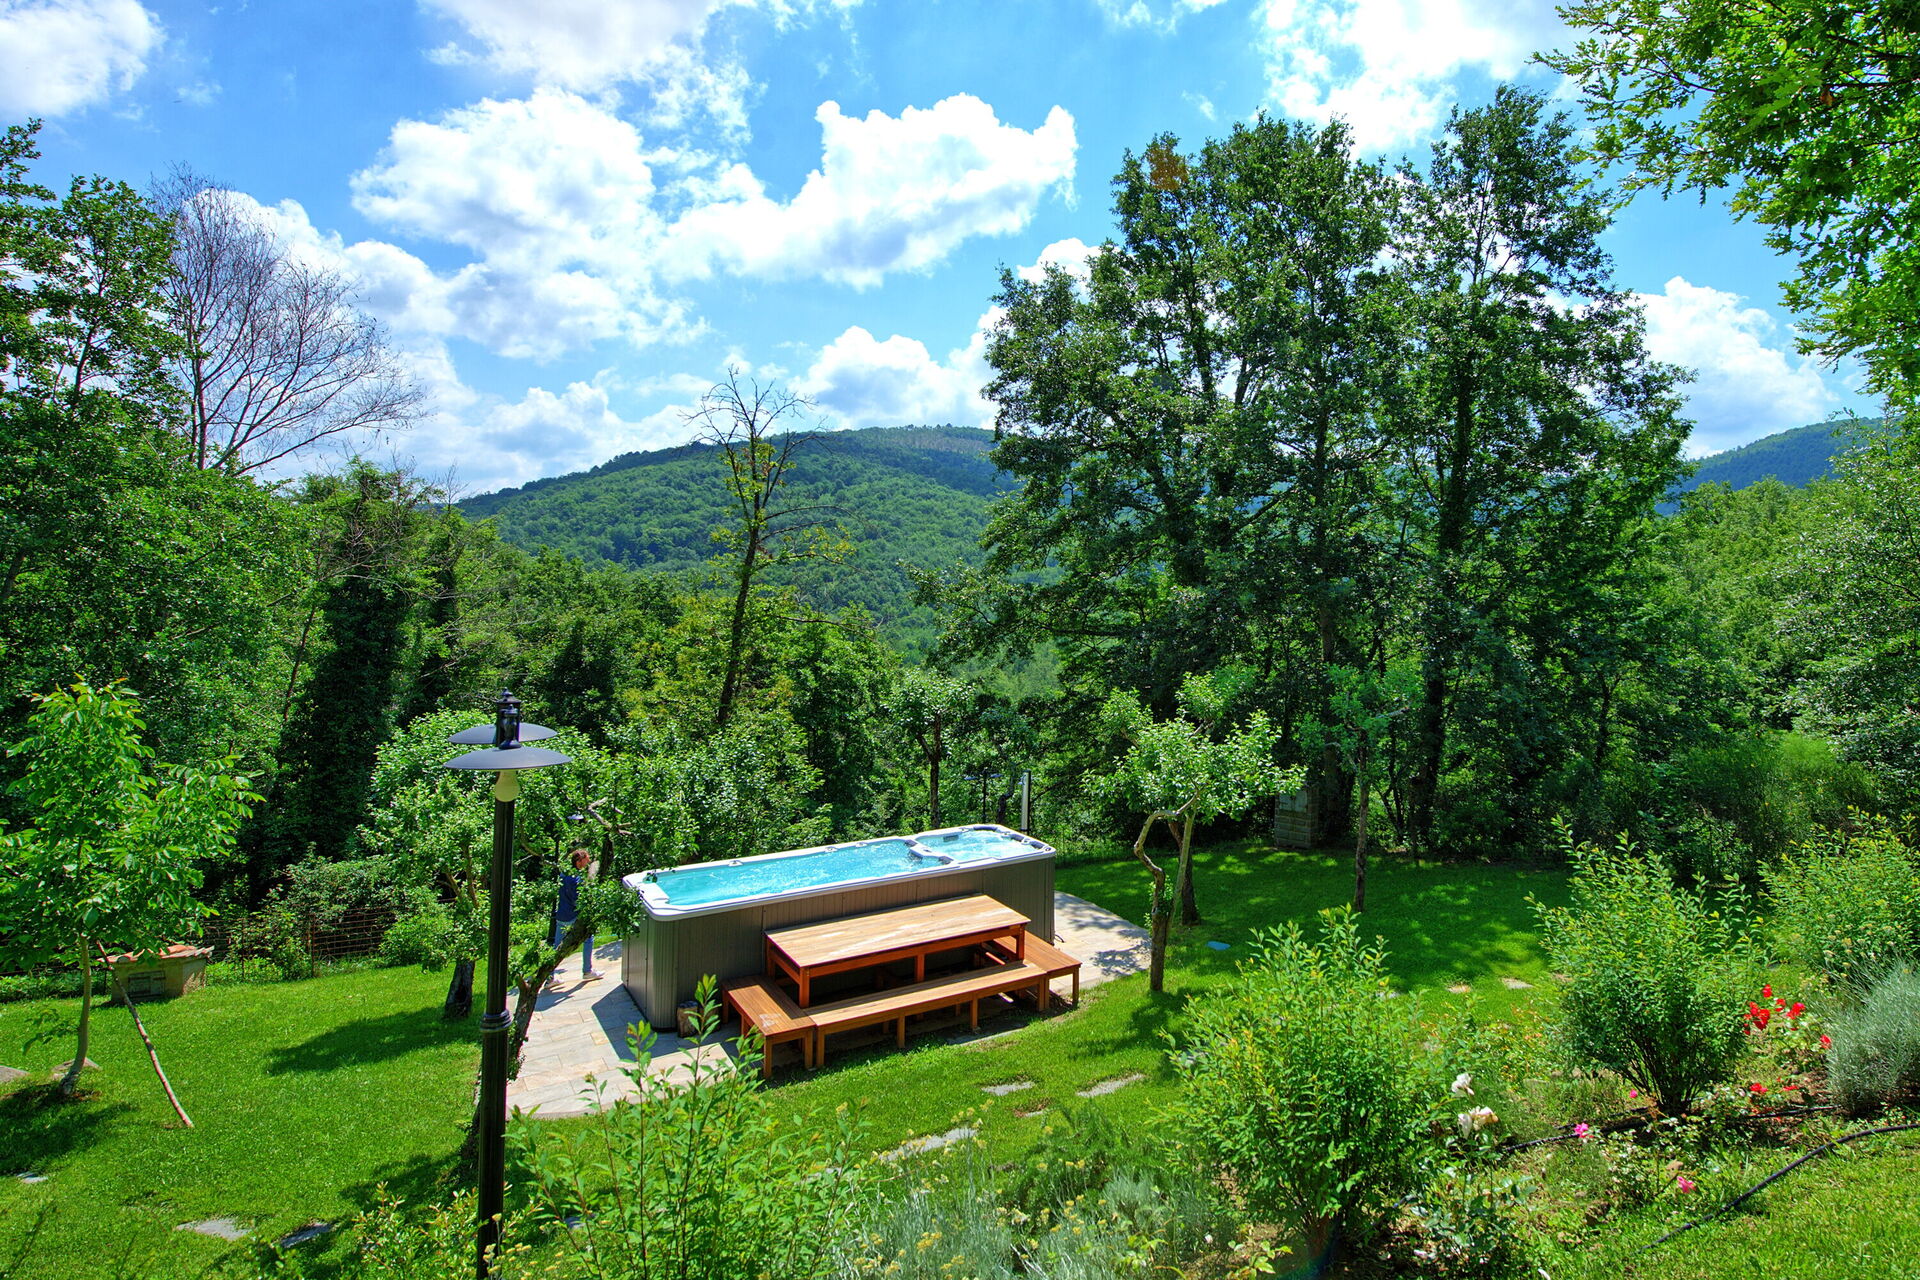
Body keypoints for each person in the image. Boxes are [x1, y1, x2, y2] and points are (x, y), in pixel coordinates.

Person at [553, 847, 596, 981]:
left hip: (562, 914)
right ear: (579, 861)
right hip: (572, 915)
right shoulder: (575, 879)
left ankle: (549, 978)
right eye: (586, 859)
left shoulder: (564, 874)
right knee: (588, 938)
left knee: (556, 947)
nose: (588, 861)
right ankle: (587, 971)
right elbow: (576, 900)